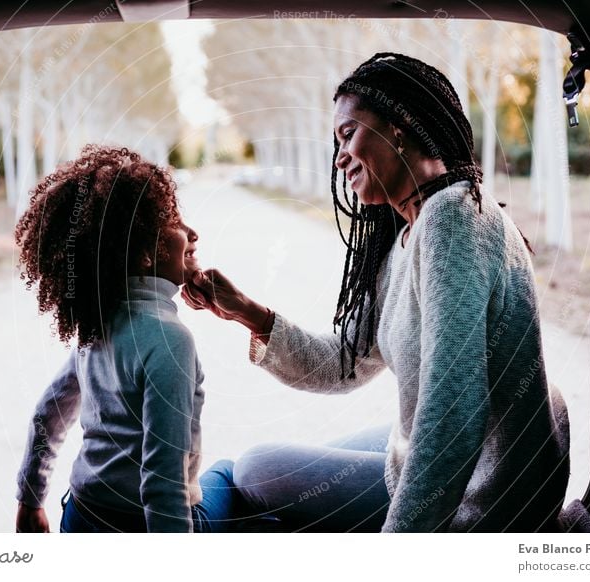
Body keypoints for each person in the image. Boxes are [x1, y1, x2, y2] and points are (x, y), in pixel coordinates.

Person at [182, 53, 570, 532]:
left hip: (490, 493)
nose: (340, 156)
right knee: (279, 466)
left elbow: (454, 412)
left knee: (255, 467)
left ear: (400, 125)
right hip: (473, 458)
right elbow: (342, 363)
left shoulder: (454, 218)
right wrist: (247, 312)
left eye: (348, 134)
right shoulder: (409, 233)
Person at [13, 145, 243, 533]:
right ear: (143, 255)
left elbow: (46, 417)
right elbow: (162, 482)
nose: (193, 233)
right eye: (174, 221)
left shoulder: (96, 325)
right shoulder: (170, 340)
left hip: (82, 515)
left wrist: (30, 500)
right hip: (140, 527)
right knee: (230, 476)